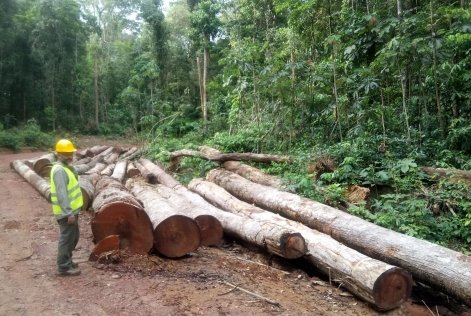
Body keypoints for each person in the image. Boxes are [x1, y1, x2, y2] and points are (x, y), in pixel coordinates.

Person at [50, 139, 83, 276]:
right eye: (66, 154)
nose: (70, 156)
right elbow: (61, 193)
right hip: (66, 212)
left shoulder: (65, 168)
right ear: (59, 154)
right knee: (66, 239)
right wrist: (68, 212)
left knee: (73, 237)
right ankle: (63, 267)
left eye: (71, 153)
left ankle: (67, 260)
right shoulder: (59, 171)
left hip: (72, 211)